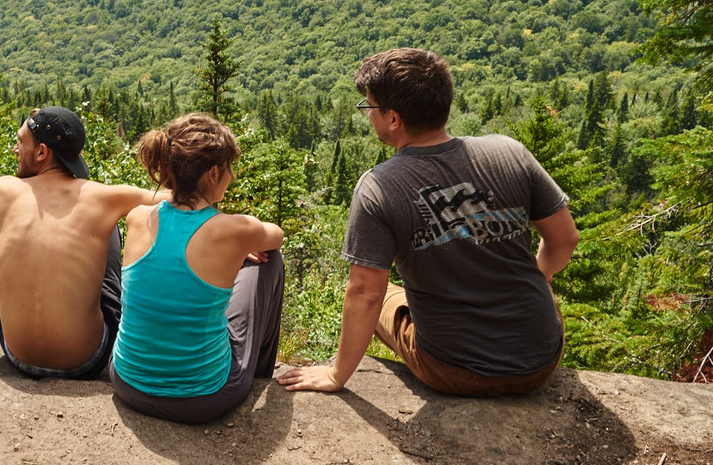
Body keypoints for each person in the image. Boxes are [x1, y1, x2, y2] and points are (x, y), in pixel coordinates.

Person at [277, 48, 579, 397]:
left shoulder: (379, 187)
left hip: (453, 371)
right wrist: (539, 276)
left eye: (369, 107)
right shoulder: (510, 152)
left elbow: (365, 294)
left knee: (385, 296)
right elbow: (565, 239)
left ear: (393, 119)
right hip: (541, 363)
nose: (368, 115)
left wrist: (335, 375)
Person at [109, 113, 286, 424]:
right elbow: (276, 235)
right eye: (230, 167)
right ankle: (256, 378)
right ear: (214, 173)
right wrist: (240, 246)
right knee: (270, 262)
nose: (232, 175)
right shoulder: (235, 230)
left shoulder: (138, 216)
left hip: (127, 383)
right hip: (202, 399)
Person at [0, 106, 165, 380]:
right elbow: (181, 200)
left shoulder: (2, 188)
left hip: (16, 355)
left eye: (21, 142)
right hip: (85, 361)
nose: (15, 149)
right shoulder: (103, 198)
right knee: (107, 226)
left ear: (41, 153)